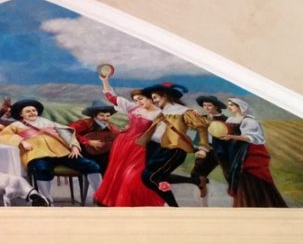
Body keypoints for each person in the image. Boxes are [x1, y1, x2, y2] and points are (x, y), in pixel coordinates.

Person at [0, 99, 102, 203]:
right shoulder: (16, 125)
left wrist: (74, 146)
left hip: (61, 152)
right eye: (28, 111)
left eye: (34, 110)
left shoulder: (47, 122)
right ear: (21, 114)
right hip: (37, 154)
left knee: (92, 165)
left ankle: (99, 196)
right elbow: (4, 136)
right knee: (42, 169)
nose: (32, 113)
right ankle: (46, 200)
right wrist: (22, 142)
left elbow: (66, 131)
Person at [93, 71, 164, 207]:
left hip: (141, 148)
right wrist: (105, 81)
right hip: (123, 145)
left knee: (133, 176)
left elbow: (160, 136)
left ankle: (136, 203)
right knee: (118, 173)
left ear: (150, 98)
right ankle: (116, 202)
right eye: (136, 100)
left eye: (141, 99)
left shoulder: (159, 114)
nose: (138, 102)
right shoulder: (134, 108)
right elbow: (111, 97)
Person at [137, 82, 210, 207]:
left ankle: (174, 207)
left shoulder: (184, 111)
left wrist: (203, 148)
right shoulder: (162, 112)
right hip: (154, 148)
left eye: (155, 97)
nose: (154, 101)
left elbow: (202, 128)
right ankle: (197, 181)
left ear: (165, 96)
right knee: (155, 176)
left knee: (150, 178)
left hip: (173, 149)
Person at [222, 98, 287, 207]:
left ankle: (257, 203)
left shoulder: (249, 121)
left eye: (232, 105)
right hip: (235, 150)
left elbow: (251, 137)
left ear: (240, 107)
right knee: (237, 174)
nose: (229, 107)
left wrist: (231, 137)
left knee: (247, 174)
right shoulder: (230, 119)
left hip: (248, 151)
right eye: (229, 105)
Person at [190, 95, 230, 195]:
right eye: (204, 105)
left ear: (216, 106)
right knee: (196, 173)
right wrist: (193, 117)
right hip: (205, 148)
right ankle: (202, 189)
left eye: (209, 105)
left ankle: (239, 194)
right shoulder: (202, 118)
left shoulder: (225, 119)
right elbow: (192, 127)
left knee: (229, 174)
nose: (206, 108)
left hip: (221, 149)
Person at [68, 100, 121, 173]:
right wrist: (88, 142)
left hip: (102, 153)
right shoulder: (85, 123)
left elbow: (119, 136)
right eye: (102, 115)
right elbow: (69, 130)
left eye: (108, 116)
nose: (105, 118)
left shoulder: (112, 127)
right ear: (94, 115)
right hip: (84, 152)